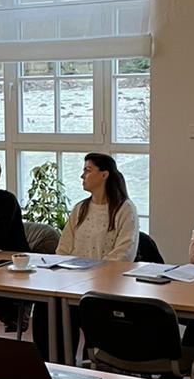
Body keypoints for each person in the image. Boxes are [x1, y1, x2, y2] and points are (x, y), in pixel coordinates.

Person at [35, 153, 139, 358]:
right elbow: (63, 248)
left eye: (88, 170)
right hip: (73, 282)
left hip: (106, 286)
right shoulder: (80, 208)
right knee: (45, 307)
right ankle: (54, 363)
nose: (82, 176)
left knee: (88, 311)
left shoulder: (124, 209)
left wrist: (93, 273)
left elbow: (124, 253)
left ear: (104, 175)